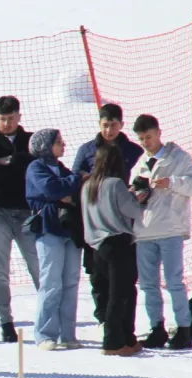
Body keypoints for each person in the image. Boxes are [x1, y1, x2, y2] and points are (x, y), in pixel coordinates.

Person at [131, 113, 192, 350]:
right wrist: (138, 195)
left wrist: (171, 182)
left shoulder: (179, 157)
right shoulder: (141, 163)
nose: (146, 142)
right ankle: (156, 328)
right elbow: (132, 192)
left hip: (171, 229)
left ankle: (184, 328)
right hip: (145, 232)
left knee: (174, 281)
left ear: (159, 133)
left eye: (149, 137)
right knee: (149, 284)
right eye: (141, 139)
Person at [71, 103, 144, 324]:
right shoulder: (86, 149)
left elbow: (142, 173)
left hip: (123, 216)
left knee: (123, 275)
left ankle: (120, 320)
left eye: (113, 125)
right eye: (105, 125)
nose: (109, 130)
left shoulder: (133, 150)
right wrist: (87, 179)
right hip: (95, 216)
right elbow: (75, 176)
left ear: (121, 125)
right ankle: (102, 315)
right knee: (97, 272)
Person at [0, 95, 39, 342]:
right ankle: (6, 322)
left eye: (11, 118)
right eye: (2, 119)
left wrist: (10, 162)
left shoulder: (30, 141)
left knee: (37, 265)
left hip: (26, 212)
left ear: (19, 117)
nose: (7, 123)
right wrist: (7, 169)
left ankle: (47, 318)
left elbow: (34, 168)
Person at [81, 143, 144, 356]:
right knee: (122, 294)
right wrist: (139, 198)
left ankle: (126, 338)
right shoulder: (115, 184)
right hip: (118, 242)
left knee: (111, 293)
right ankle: (114, 341)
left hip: (97, 246)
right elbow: (132, 210)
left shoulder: (88, 185)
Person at [25, 129, 85, 351]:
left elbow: (72, 190)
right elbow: (51, 189)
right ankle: (45, 334)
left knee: (70, 281)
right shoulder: (36, 168)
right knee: (51, 282)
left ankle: (68, 334)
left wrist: (68, 187)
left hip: (69, 230)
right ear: (45, 145)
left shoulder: (61, 169)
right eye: (58, 142)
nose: (63, 145)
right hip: (49, 229)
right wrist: (72, 183)